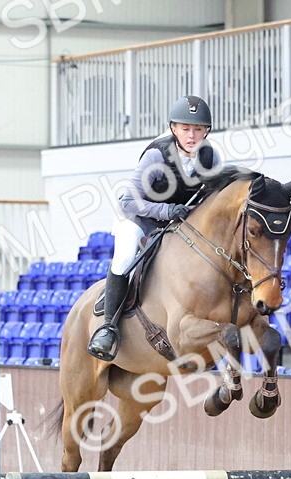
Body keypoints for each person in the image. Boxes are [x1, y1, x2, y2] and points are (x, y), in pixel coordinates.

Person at [87, 94, 219, 361]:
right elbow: (127, 201)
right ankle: (108, 327)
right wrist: (167, 210)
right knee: (124, 258)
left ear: (206, 131)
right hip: (139, 219)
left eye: (197, 129)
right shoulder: (157, 156)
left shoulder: (209, 158)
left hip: (177, 225)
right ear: (173, 128)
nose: (191, 136)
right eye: (185, 129)